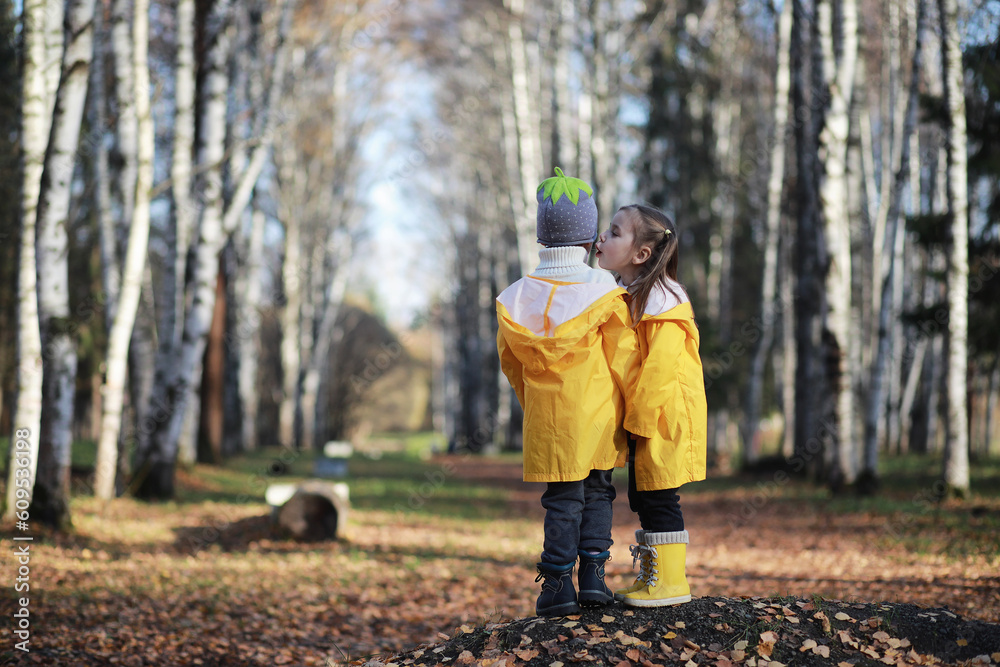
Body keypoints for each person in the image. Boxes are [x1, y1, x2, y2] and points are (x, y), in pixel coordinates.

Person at [496, 168, 637, 616]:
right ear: (588, 240)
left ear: (543, 238)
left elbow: (512, 365)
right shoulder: (603, 291)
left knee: (561, 499)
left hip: (548, 418)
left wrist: (535, 403)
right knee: (598, 492)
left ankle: (556, 585)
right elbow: (623, 357)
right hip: (596, 416)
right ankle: (593, 578)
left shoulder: (515, 297)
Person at [594, 203, 708, 608]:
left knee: (660, 495)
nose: (602, 237)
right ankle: (654, 574)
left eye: (615, 231)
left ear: (642, 254)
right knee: (643, 496)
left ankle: (671, 582)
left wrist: (638, 422)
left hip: (662, 417)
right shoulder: (631, 294)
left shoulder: (663, 298)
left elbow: (661, 367)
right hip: (648, 416)